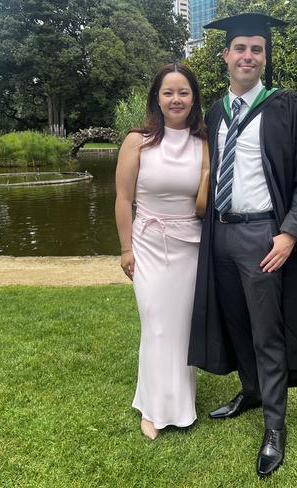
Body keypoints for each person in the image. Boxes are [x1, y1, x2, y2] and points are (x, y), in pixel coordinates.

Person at [188, 13, 297, 476]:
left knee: (268, 331)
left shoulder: (289, 108)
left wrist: (288, 234)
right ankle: (251, 391)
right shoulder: (214, 111)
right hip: (220, 233)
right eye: (240, 48)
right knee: (236, 322)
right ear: (225, 55)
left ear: (265, 56)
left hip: (262, 235)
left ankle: (274, 426)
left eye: (257, 49)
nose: (248, 56)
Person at [115, 63, 206, 440]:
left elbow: (203, 206)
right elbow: (122, 198)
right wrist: (125, 248)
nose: (176, 99)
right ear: (157, 98)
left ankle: (182, 404)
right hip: (147, 245)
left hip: (189, 247)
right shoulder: (137, 140)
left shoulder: (204, 144)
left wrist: (206, 178)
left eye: (183, 92)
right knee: (155, 324)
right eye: (168, 92)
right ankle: (152, 409)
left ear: (193, 98)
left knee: (180, 327)